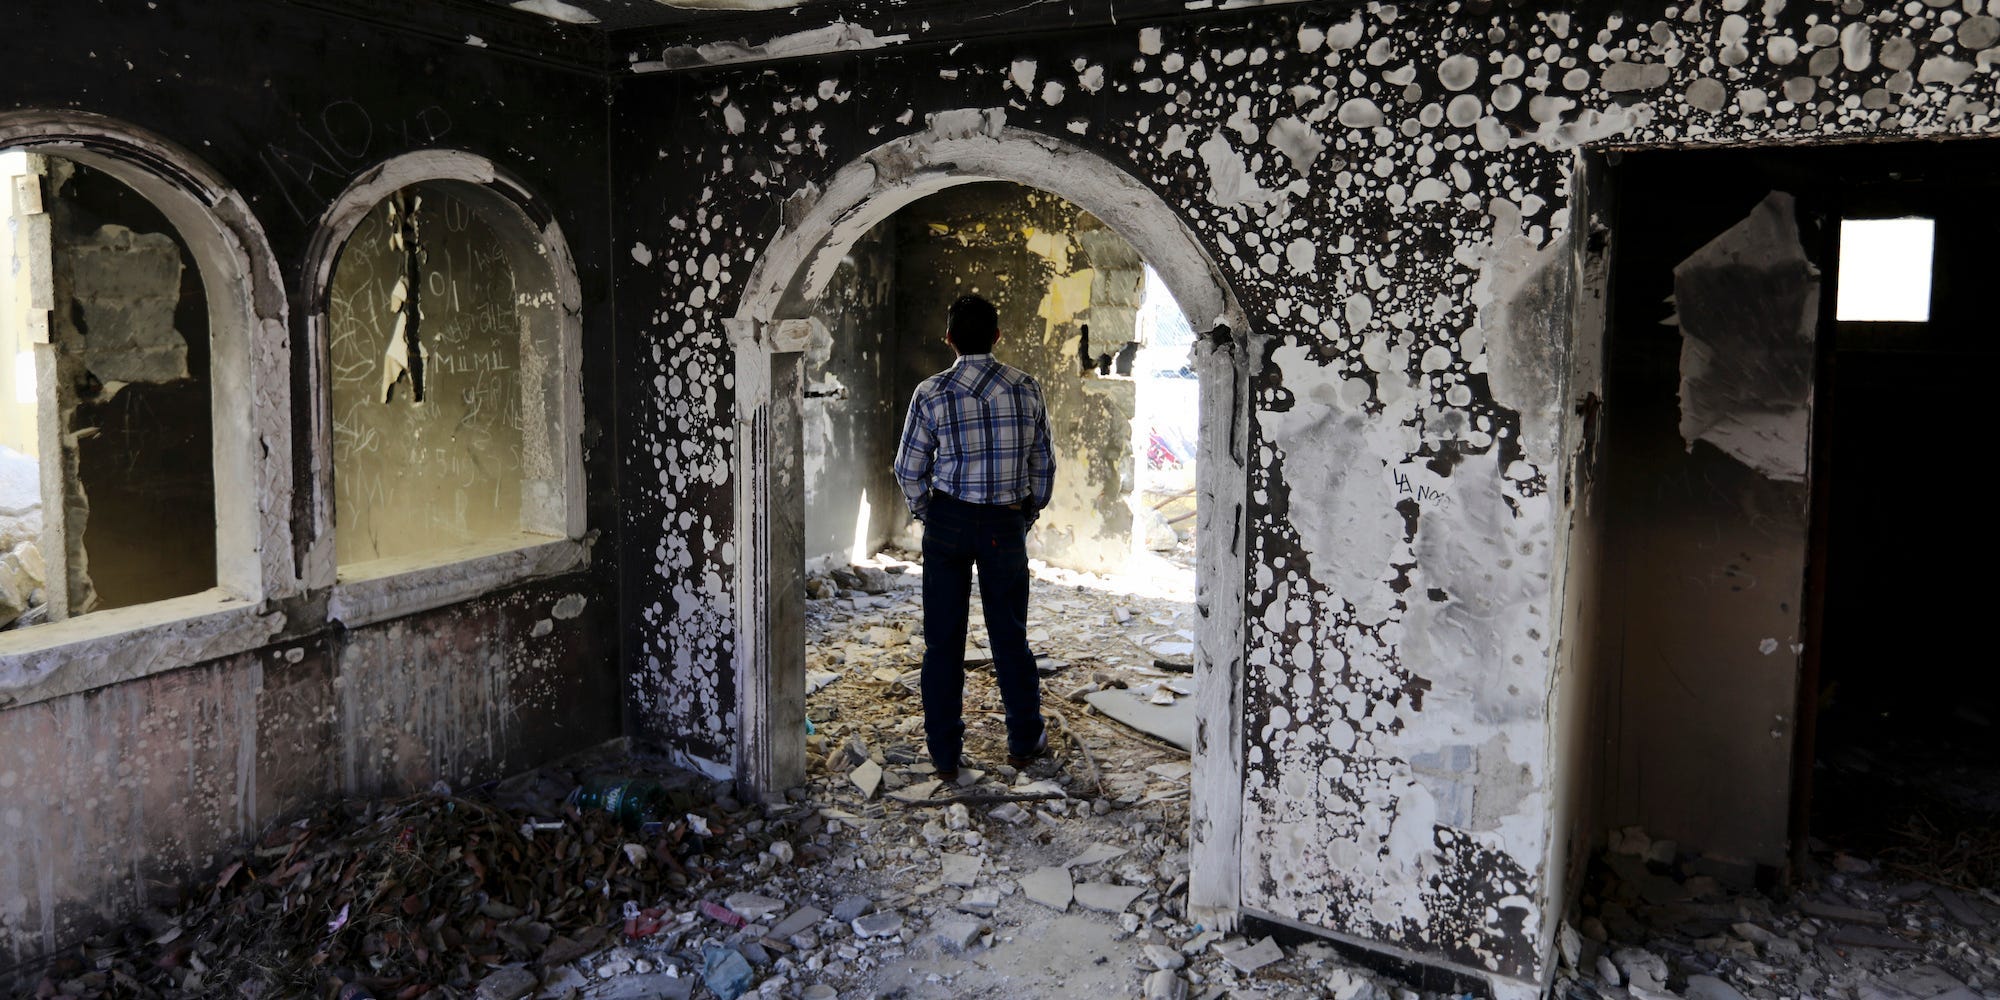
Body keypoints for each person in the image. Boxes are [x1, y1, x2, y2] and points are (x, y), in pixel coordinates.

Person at [892, 295, 1056, 782]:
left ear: (949, 339)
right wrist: (1024, 514)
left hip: (949, 523)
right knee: (1010, 637)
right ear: (997, 337)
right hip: (1003, 525)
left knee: (943, 643)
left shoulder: (931, 392)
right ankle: (1023, 742)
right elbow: (1042, 466)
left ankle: (945, 755)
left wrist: (930, 514)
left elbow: (908, 469)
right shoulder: (1026, 388)